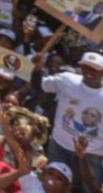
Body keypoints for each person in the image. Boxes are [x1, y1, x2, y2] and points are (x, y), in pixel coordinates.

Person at [39, 51, 103, 186]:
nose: (88, 72)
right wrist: (37, 69)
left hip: (91, 154)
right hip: (59, 147)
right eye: (85, 67)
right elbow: (42, 85)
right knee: (51, 187)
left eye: (94, 69)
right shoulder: (67, 80)